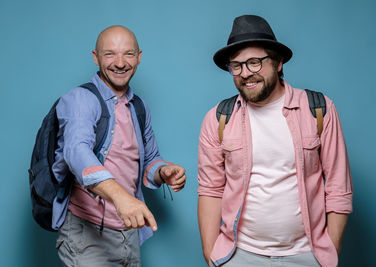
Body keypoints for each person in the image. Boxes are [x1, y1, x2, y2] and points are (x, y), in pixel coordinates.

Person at [197, 15, 353, 267]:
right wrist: (211, 254)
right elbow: (211, 190)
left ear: (278, 62)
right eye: (236, 66)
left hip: (307, 255)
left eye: (254, 63)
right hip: (238, 255)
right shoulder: (218, 119)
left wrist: (328, 251)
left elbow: (338, 186)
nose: (245, 73)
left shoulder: (319, 109)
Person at [52, 25, 186, 267]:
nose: (120, 62)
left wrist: (163, 171)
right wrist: (121, 198)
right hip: (87, 234)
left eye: (128, 54)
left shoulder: (138, 106)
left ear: (139, 57)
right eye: (110, 54)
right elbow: (76, 152)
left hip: (129, 232)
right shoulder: (80, 100)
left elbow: (149, 159)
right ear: (96, 57)